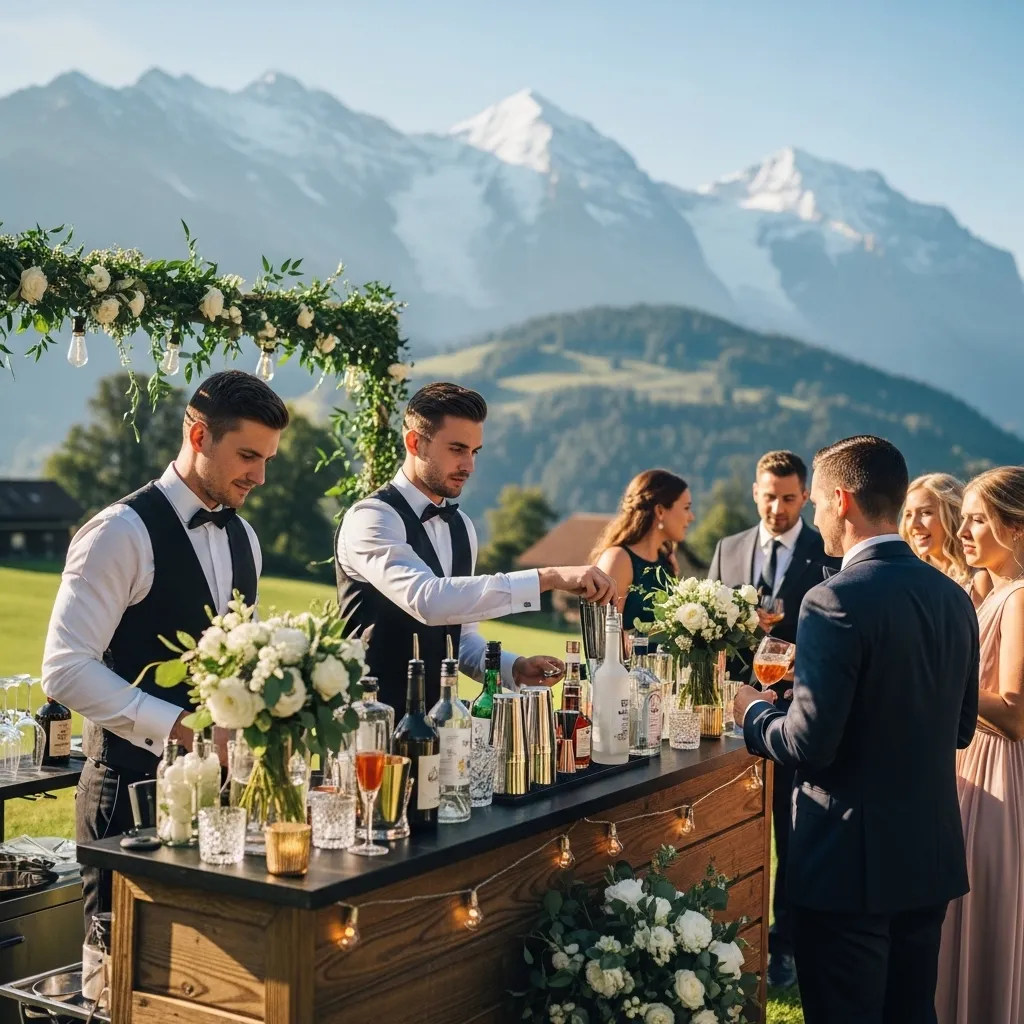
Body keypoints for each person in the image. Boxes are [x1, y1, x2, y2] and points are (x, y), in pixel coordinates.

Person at [734, 435, 979, 1024]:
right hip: (928, 855)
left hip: (849, 865)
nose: (817, 517)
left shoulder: (832, 600)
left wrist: (753, 711)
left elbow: (807, 747)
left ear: (841, 501)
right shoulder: (952, 597)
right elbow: (961, 728)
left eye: (817, 502)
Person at [42, 370, 289, 930]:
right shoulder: (119, 533)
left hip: (219, 802)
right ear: (199, 437)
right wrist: (182, 728)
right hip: (128, 794)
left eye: (268, 458)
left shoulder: (245, 538)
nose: (261, 476)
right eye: (249, 455)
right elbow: (64, 668)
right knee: (119, 973)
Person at [336, 382, 615, 711]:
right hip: (370, 726)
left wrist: (513, 667)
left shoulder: (462, 527)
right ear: (414, 442)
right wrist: (548, 577)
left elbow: (460, 637)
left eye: (474, 452)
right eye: (457, 449)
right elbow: (428, 600)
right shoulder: (371, 518)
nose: (469, 466)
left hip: (442, 726)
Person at [706, 449, 839, 989]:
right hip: (735, 714)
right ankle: (728, 935)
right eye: (768, 496)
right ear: (754, 492)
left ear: (805, 497)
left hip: (798, 715)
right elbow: (711, 634)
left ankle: (783, 947)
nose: (776, 507)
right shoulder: (728, 547)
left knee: (790, 834)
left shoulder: (824, 552)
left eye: (788, 498)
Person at [936, 467, 1024, 1024]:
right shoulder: (990, 593)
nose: (963, 531)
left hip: (999, 771)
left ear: (1015, 528)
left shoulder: (1019, 598)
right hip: (972, 761)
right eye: (964, 518)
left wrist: (942, 682)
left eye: (977, 519)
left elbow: (1015, 714)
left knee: (985, 906)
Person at [591, 469, 694, 631]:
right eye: (686, 508)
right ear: (660, 511)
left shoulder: (666, 561)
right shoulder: (618, 559)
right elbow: (601, 634)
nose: (691, 517)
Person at [901, 474, 993, 606]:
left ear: (953, 515)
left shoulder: (979, 580)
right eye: (908, 514)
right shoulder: (908, 577)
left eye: (926, 513)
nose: (914, 524)